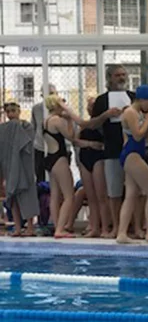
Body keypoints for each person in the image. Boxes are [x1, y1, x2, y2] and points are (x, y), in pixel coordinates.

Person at [116, 85, 148, 244]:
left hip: (134, 154)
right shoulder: (130, 112)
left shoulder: (136, 113)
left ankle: (122, 234)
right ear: (142, 99)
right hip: (132, 154)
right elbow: (137, 136)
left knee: (131, 194)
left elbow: (146, 138)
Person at [90, 66, 132, 237]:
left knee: (134, 191)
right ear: (110, 78)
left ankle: (134, 227)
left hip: (131, 151)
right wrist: (105, 115)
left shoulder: (133, 98)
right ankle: (116, 226)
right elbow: (92, 124)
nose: (121, 78)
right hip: (111, 150)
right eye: (117, 75)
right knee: (113, 192)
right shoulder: (101, 101)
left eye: (123, 74)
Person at [42, 95, 80, 238]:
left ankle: (57, 227)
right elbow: (71, 137)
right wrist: (69, 119)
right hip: (59, 159)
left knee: (55, 195)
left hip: (50, 159)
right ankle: (60, 229)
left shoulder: (45, 121)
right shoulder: (57, 120)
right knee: (69, 196)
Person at [75, 97, 108, 238]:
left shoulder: (103, 124)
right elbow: (75, 140)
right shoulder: (84, 124)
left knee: (101, 196)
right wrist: (90, 144)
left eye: (93, 105)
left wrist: (92, 145)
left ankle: (105, 228)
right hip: (84, 159)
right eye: (88, 105)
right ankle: (94, 227)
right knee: (91, 197)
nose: (90, 108)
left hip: (98, 159)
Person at [30, 84, 56, 184]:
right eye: (47, 94)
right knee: (40, 175)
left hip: (56, 148)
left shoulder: (62, 109)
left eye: (52, 94)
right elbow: (33, 127)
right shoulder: (36, 108)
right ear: (42, 95)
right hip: (40, 146)